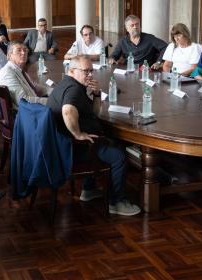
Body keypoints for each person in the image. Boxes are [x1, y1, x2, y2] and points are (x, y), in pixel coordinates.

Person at [47, 56, 141, 216]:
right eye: (86, 71)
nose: (90, 74)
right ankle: (116, 203)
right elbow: (67, 111)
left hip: (64, 144)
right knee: (119, 156)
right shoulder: (74, 90)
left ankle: (88, 190)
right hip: (75, 149)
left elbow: (93, 113)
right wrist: (78, 134)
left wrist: (96, 94)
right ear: (71, 71)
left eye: (91, 70)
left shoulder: (69, 84)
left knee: (114, 143)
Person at [0, 42, 52, 108]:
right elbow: (23, 101)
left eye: (25, 50)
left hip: (33, 104)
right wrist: (50, 101)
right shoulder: (7, 73)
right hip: (27, 112)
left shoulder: (19, 69)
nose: (23, 53)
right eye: (19, 50)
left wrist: (53, 92)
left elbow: (34, 86)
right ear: (9, 55)